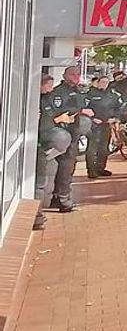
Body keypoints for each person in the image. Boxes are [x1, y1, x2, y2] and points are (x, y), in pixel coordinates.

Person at [49, 66, 94, 213]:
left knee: (67, 167)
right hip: (63, 134)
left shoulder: (78, 91)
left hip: (74, 135)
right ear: (65, 75)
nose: (76, 76)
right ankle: (64, 201)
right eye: (72, 74)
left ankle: (57, 197)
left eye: (78, 74)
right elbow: (60, 111)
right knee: (66, 168)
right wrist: (81, 111)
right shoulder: (59, 92)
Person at [35, 75, 73, 229]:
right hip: (38, 146)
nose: (51, 88)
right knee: (39, 183)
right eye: (49, 85)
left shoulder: (47, 99)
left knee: (42, 183)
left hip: (44, 146)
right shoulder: (35, 100)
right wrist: (58, 120)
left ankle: (38, 214)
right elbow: (42, 124)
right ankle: (36, 217)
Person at [85, 75, 122, 179]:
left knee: (104, 148)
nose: (104, 84)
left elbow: (119, 109)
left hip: (107, 124)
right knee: (92, 149)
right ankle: (91, 170)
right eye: (102, 82)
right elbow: (84, 109)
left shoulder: (113, 95)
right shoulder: (90, 94)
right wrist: (93, 119)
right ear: (98, 82)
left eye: (106, 82)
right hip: (94, 125)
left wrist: (115, 118)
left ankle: (100, 168)